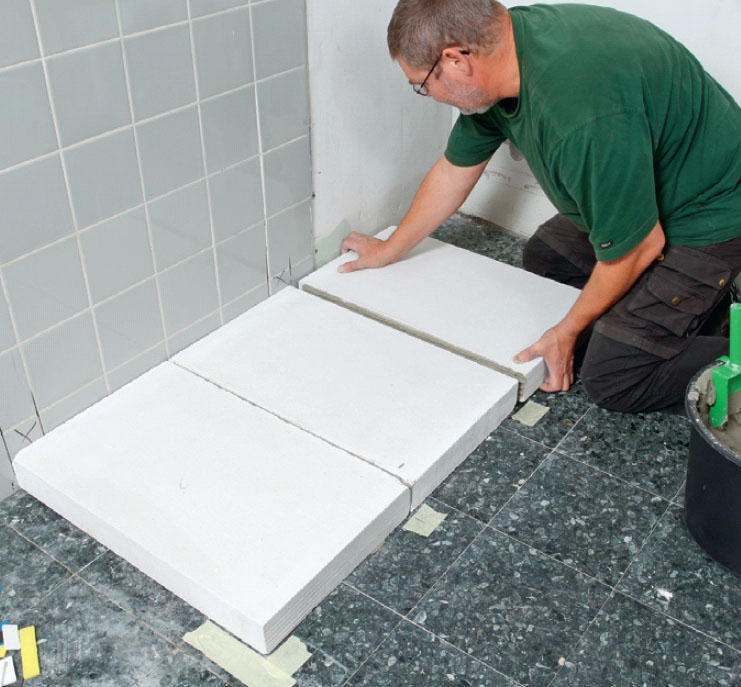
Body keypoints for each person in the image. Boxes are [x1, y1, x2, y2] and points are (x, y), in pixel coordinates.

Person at [339, 0, 741, 414]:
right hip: (658, 195)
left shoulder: (580, 112)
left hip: (710, 217)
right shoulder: (505, 54)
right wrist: (391, 248)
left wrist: (567, 332)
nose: (429, 96)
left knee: (615, 377)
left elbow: (640, 245)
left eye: (422, 85)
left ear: (456, 60)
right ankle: (691, 308)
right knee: (549, 256)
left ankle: (712, 320)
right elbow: (452, 172)